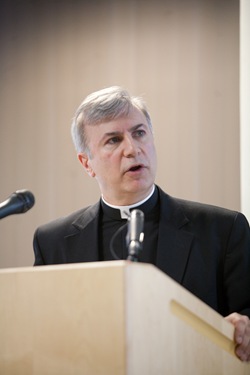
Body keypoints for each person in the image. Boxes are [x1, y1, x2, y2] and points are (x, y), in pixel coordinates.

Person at [33, 86, 250, 362]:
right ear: (87, 163)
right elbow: (43, 333)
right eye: (113, 140)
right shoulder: (53, 243)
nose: (132, 149)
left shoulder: (223, 229)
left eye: (139, 133)